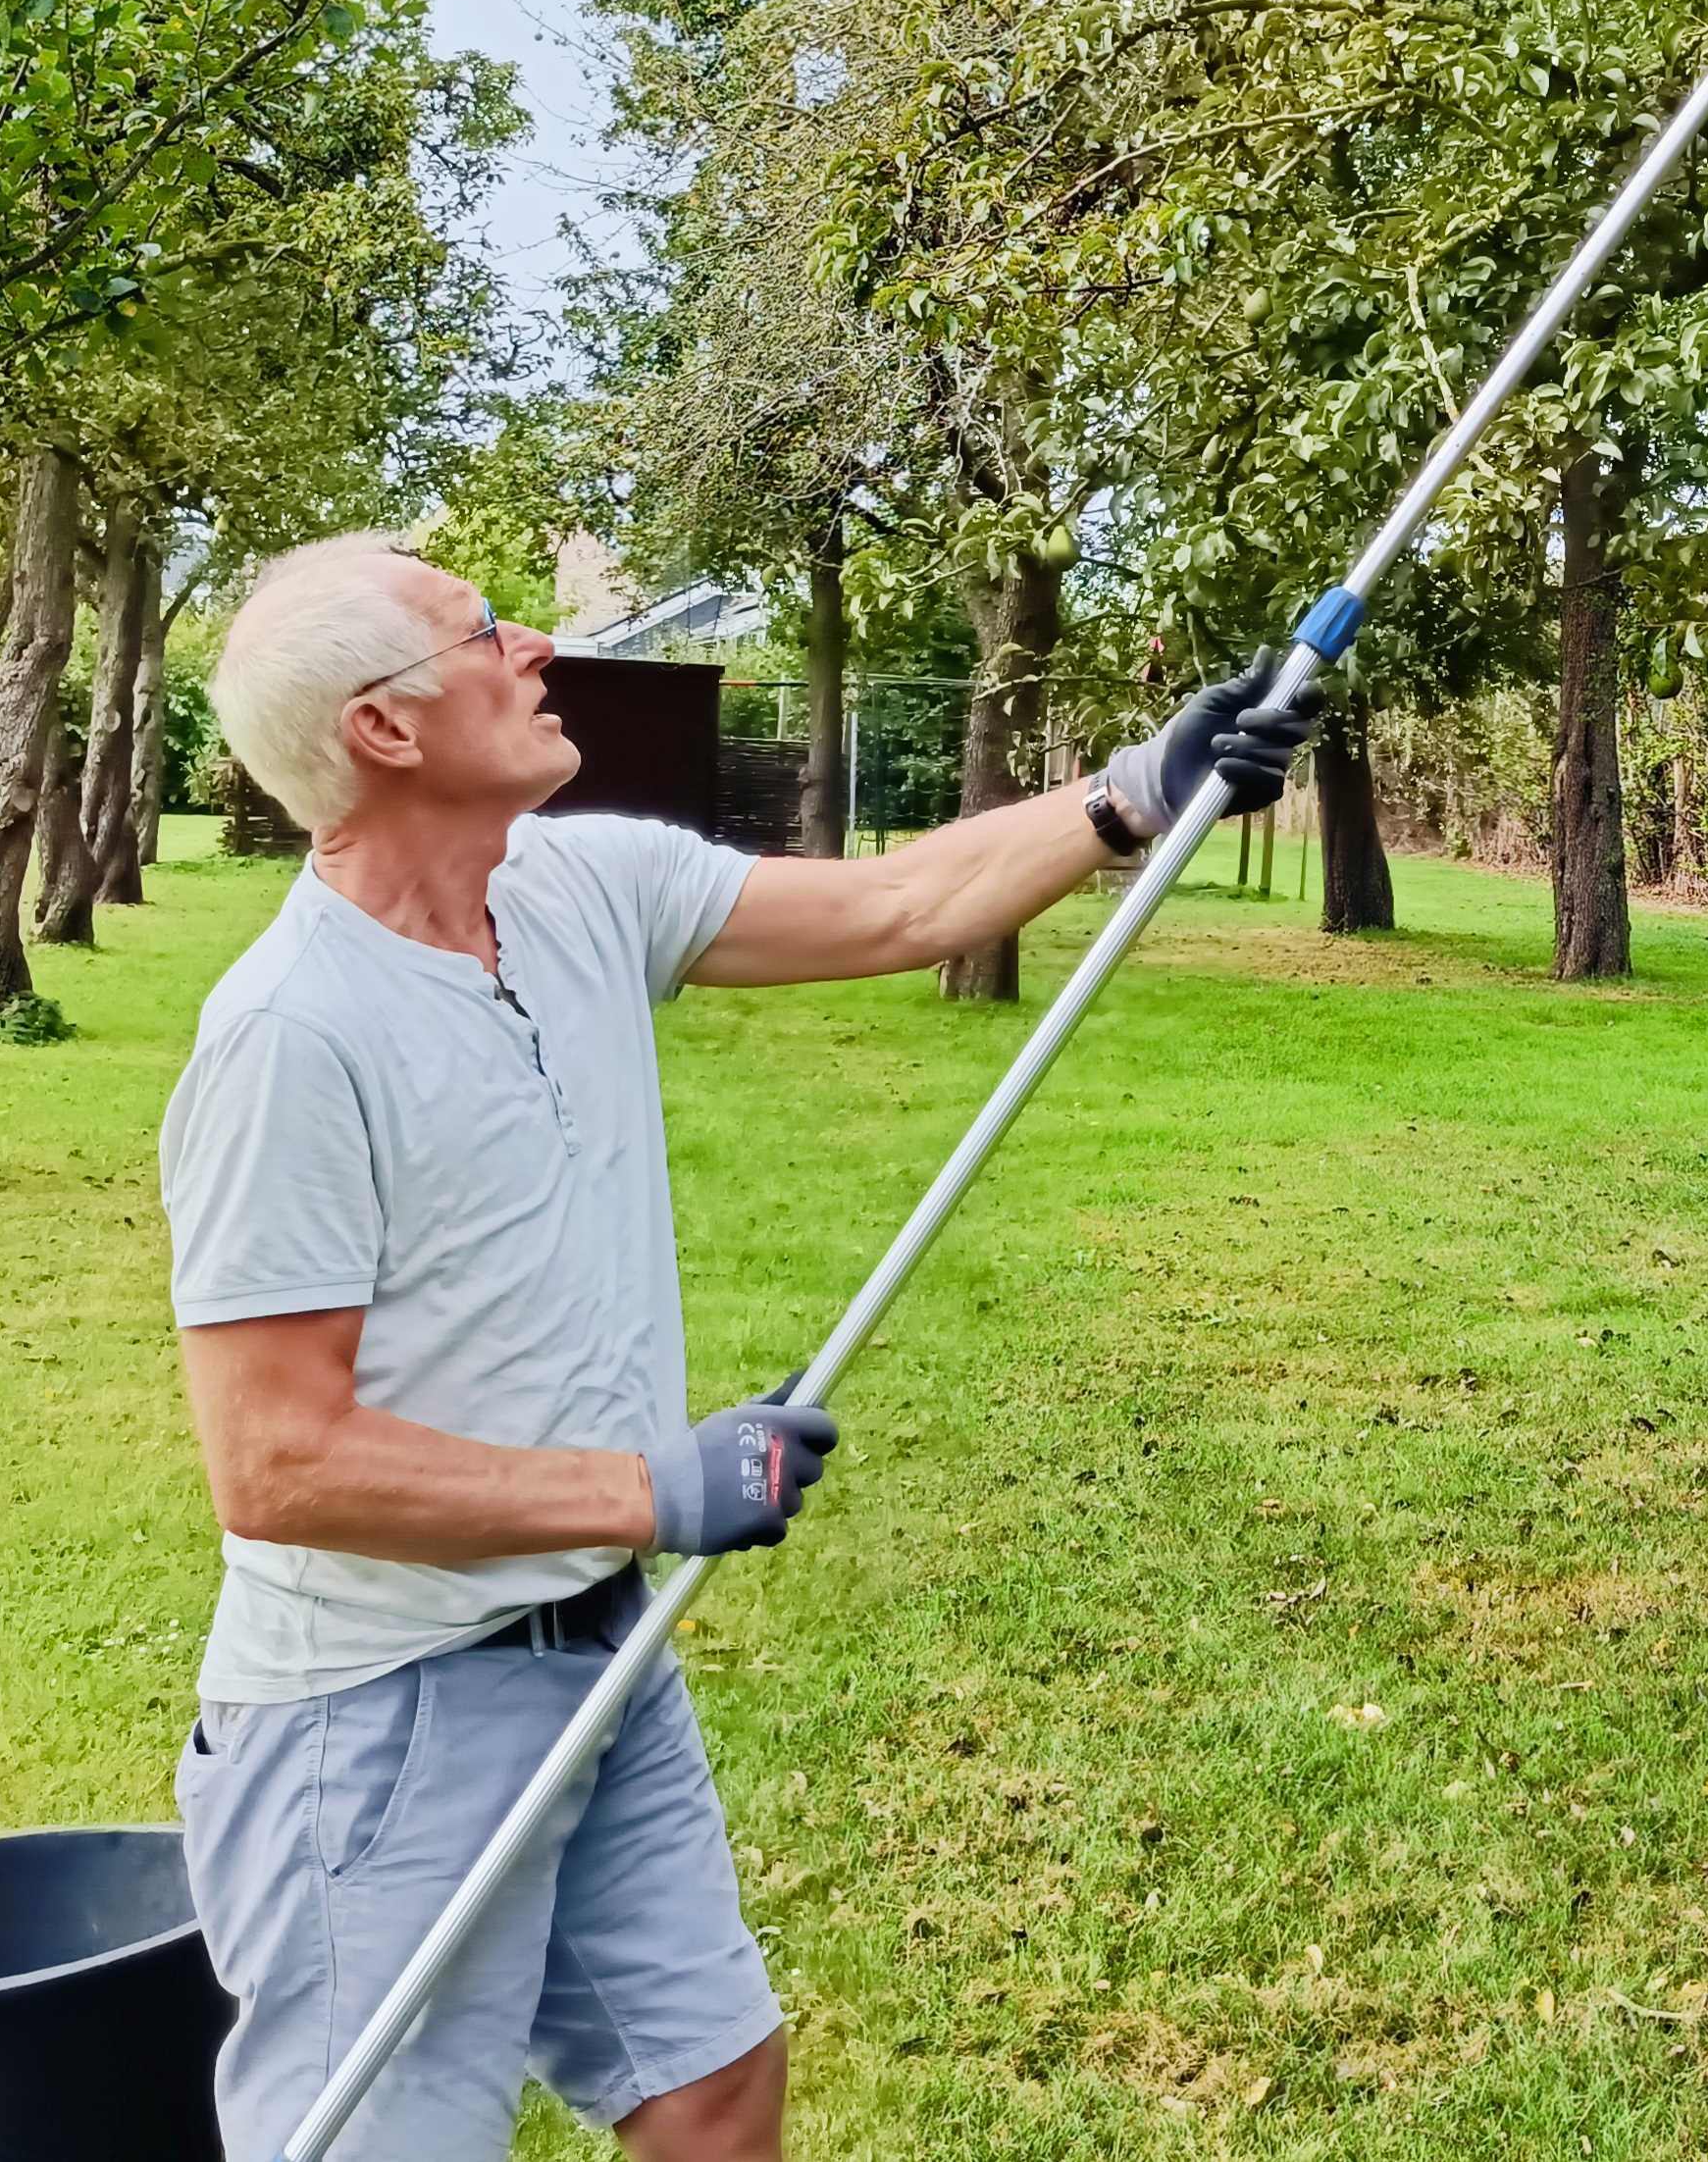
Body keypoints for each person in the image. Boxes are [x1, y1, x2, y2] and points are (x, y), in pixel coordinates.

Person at [161, 532, 1306, 2161]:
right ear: (388, 730)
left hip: (596, 1653)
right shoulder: (292, 1037)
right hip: (380, 1714)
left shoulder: (576, 888)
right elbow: (276, 1463)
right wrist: (652, 1486)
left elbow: (902, 900)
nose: (539, 642)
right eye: (487, 630)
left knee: (710, 2097)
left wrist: (1130, 792)